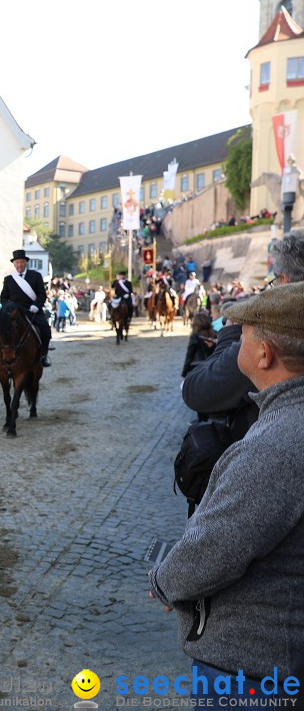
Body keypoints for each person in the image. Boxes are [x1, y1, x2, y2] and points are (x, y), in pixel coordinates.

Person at [149, 281, 304, 702]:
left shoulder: (275, 446)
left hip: (254, 668)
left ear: (263, 353)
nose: (232, 333)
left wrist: (165, 580)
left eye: (244, 329)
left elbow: (213, 551)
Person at [182, 230, 304, 439]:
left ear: (283, 280)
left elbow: (196, 390)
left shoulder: (270, 334)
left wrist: (229, 334)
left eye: (274, 281)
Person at [0, 249, 52, 367]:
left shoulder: (36, 276)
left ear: (25, 263)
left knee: (46, 331)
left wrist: (36, 306)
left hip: (32, 310)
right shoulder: (9, 279)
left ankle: (44, 355)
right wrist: (7, 307)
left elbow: (42, 294)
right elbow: (3, 297)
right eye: (17, 263)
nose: (19, 265)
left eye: (22, 262)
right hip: (13, 311)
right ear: (14, 264)